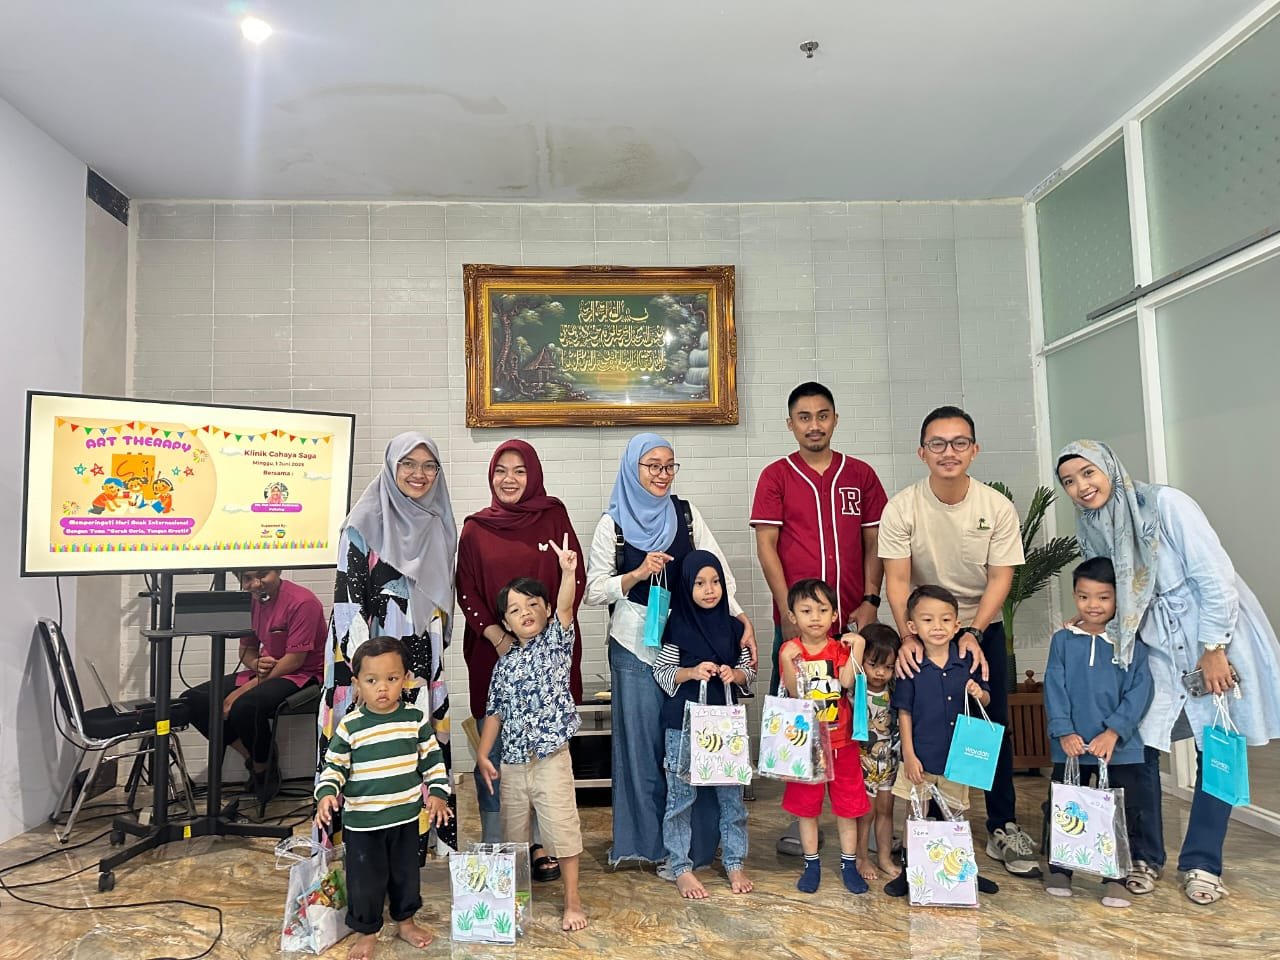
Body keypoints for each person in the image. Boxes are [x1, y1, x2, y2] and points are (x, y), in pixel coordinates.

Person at [1056, 439, 1280, 905]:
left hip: (1210, 634)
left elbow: (1214, 576)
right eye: (1069, 482)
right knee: (1141, 746)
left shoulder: (1166, 505)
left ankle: (1203, 863)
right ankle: (1145, 856)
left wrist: (1214, 647)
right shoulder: (1092, 527)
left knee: (1217, 749)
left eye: (1088, 473)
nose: (1081, 487)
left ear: (1109, 468)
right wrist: (1093, 619)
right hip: (1154, 643)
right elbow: (1110, 588)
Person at [879, 404, 1038, 879]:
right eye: (938, 443)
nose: (948, 452)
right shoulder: (902, 507)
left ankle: (1001, 825)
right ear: (922, 452)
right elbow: (897, 580)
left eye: (959, 443)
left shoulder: (996, 507)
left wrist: (974, 631)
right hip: (923, 629)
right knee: (922, 721)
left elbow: (1000, 577)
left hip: (977, 627)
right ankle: (925, 828)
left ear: (974, 450)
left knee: (988, 728)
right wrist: (909, 635)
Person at [585, 432, 756, 870]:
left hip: (687, 650)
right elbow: (593, 591)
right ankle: (647, 845)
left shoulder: (686, 514)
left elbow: (719, 574)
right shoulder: (612, 525)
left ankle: (695, 848)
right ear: (633, 469)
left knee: (695, 748)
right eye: (652, 466)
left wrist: (741, 620)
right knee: (642, 751)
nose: (662, 474)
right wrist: (637, 573)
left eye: (668, 466)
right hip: (635, 650)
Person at [751, 381, 887, 856]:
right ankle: (801, 818)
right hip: (800, 625)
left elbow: (874, 542)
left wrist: (871, 598)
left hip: (849, 620)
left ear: (835, 419)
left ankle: (862, 816)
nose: (814, 425)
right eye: (804, 417)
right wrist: (787, 609)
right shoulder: (776, 476)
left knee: (857, 715)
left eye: (822, 415)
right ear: (790, 424)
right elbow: (766, 545)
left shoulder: (861, 475)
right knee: (799, 716)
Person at [318, 432, 459, 857]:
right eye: (408, 464)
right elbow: (348, 605)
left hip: (419, 658)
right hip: (366, 661)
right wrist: (368, 677)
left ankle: (413, 850)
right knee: (364, 751)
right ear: (391, 467)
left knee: (416, 747)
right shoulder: (363, 524)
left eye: (429, 466)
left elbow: (440, 599)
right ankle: (356, 854)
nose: (419, 474)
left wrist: (425, 659)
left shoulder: (438, 522)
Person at [456, 439, 585, 879]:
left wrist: (543, 641)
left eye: (519, 471)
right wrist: (498, 637)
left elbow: (575, 578)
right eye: (500, 470)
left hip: (546, 653)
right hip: (492, 653)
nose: (508, 479)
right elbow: (466, 591)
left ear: (534, 474)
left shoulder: (553, 515)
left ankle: (546, 842)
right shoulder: (475, 528)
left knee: (546, 753)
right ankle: (504, 845)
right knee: (497, 745)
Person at [475, 536, 588, 932]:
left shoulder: (556, 642)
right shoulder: (504, 665)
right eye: (515, 609)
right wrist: (483, 754)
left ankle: (572, 901)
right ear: (506, 623)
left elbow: (567, 605)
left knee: (563, 831)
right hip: (513, 763)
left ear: (547, 609)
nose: (525, 612)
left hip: (551, 758)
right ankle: (515, 901)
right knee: (515, 839)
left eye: (533, 604)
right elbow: (495, 713)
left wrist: (568, 573)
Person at [314, 636, 452, 959]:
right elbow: (333, 766)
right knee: (365, 880)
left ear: (405, 679)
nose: (382, 688)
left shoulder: (414, 719)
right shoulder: (351, 726)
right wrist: (327, 794)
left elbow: (433, 759)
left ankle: (406, 921)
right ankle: (367, 931)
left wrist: (437, 793)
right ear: (357, 684)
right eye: (372, 680)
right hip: (364, 824)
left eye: (391, 679)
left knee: (406, 874)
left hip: (405, 818)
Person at [1042, 556, 1154, 908]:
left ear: (1118, 598)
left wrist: (1114, 732)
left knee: (1121, 811)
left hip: (1118, 749)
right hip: (1071, 747)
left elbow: (1140, 690)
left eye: (1103, 597)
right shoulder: (1063, 640)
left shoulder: (1131, 642)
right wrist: (1064, 731)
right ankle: (1060, 869)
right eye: (1084, 596)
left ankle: (1116, 877)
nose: (1093, 605)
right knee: (1065, 807)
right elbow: (1054, 686)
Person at [652, 551, 757, 900]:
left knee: (732, 798)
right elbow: (662, 672)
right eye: (699, 583)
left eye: (714, 582)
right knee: (680, 798)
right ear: (687, 587)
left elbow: (749, 673)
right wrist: (692, 672)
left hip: (724, 726)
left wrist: (734, 674)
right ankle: (681, 866)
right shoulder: (676, 625)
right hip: (682, 724)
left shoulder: (735, 628)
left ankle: (734, 861)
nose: (709, 590)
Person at [887, 584, 998, 897]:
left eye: (946, 620)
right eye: (928, 620)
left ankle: (964, 872)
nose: (937, 626)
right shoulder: (910, 665)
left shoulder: (967, 659)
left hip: (957, 756)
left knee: (957, 815)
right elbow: (904, 712)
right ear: (912, 627)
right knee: (915, 814)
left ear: (957, 624)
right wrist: (909, 755)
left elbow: (987, 700)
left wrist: (979, 694)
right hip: (920, 756)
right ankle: (909, 872)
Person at [182, 568, 325, 804]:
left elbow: (294, 661)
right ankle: (256, 756)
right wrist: (255, 663)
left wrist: (240, 691)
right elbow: (247, 650)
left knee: (244, 706)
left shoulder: (303, 601)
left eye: (262, 575)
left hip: (301, 673)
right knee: (192, 700)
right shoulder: (251, 602)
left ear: (278, 571)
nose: (256, 584)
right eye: (248, 578)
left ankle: (262, 769)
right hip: (266, 672)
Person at [778, 578, 870, 895]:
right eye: (806, 611)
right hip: (806, 745)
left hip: (842, 743)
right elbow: (793, 693)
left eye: (822, 610)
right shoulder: (790, 650)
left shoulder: (839, 649)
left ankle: (849, 864)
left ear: (834, 615)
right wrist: (788, 661)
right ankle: (812, 864)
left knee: (847, 807)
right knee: (807, 808)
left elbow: (846, 682)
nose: (815, 617)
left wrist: (858, 648)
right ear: (793, 616)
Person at [855, 623, 903, 882]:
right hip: (862, 761)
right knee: (866, 813)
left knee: (886, 810)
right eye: (873, 664)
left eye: (888, 667)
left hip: (889, 761)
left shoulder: (894, 689)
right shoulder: (855, 687)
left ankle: (884, 857)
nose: (880, 672)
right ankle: (862, 857)